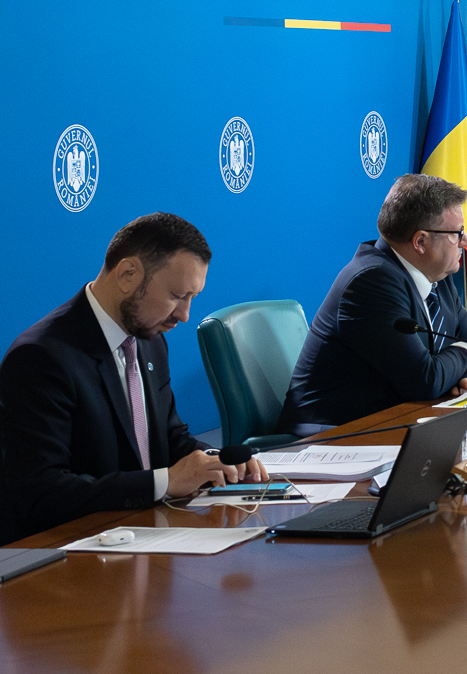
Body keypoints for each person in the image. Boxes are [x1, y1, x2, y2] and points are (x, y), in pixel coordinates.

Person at [1, 213, 270, 544]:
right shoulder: (41, 357)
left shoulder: (150, 339)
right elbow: (40, 491)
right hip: (71, 550)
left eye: (192, 298)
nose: (184, 315)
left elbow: (170, 439)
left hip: (144, 534)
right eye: (177, 295)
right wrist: (164, 483)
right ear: (128, 275)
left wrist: (218, 462)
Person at [280, 174, 467, 433]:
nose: (466, 241)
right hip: (331, 433)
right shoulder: (371, 282)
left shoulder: (437, 273)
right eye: (457, 233)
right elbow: (426, 379)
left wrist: (459, 372)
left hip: (396, 419)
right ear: (420, 242)